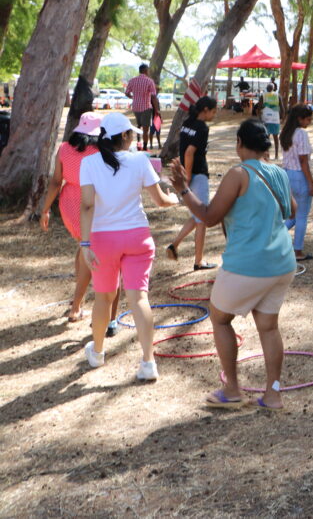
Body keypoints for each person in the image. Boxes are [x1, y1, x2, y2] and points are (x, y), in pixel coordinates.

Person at [170, 119, 297, 410]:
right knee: (268, 326)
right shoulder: (277, 171)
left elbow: (209, 216)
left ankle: (232, 390)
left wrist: (183, 189)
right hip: (282, 262)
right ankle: (273, 394)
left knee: (220, 318)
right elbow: (293, 209)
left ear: (239, 142)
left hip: (248, 263)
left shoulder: (238, 174)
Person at [79, 113, 178, 378]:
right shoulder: (139, 161)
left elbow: (87, 205)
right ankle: (148, 363)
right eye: (131, 133)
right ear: (124, 136)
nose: (134, 137)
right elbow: (160, 200)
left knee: (103, 298)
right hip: (137, 237)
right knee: (139, 299)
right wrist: (178, 199)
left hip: (102, 241)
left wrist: (85, 244)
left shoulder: (88, 163)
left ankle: (98, 352)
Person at [40, 112, 103, 323]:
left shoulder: (64, 148)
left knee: (82, 246)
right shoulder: (99, 152)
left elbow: (56, 182)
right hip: (89, 204)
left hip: (67, 204)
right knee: (88, 252)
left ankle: (79, 299)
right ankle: (76, 306)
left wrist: (45, 209)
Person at [167, 96, 218, 271]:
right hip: (197, 174)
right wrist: (187, 178)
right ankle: (198, 261)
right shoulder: (202, 128)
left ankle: (175, 244)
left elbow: (184, 149)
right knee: (202, 217)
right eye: (213, 111)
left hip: (188, 171)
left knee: (197, 215)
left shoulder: (187, 122)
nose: (214, 114)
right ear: (205, 110)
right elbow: (189, 153)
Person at [281, 104, 313, 261]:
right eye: (308, 119)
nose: (309, 122)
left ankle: (274, 236)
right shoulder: (301, 133)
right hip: (299, 176)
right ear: (299, 119)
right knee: (301, 216)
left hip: (287, 175)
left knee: (293, 215)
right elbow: (303, 161)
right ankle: (298, 251)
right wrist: (311, 183)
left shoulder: (287, 132)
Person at [124, 64, 159, 151]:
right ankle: (144, 146)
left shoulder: (132, 80)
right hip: (146, 107)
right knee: (145, 129)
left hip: (136, 107)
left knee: (138, 126)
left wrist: (133, 97)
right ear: (146, 71)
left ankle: (138, 143)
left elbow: (127, 93)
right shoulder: (149, 81)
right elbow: (154, 96)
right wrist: (157, 109)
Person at [260, 83, 282, 159]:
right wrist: (282, 117)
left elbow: (259, 107)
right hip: (275, 119)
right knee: (276, 137)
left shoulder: (263, 95)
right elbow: (282, 107)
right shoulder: (277, 95)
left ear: (266, 88)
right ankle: (276, 155)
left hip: (266, 119)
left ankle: (267, 154)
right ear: (274, 88)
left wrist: (260, 118)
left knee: (266, 137)